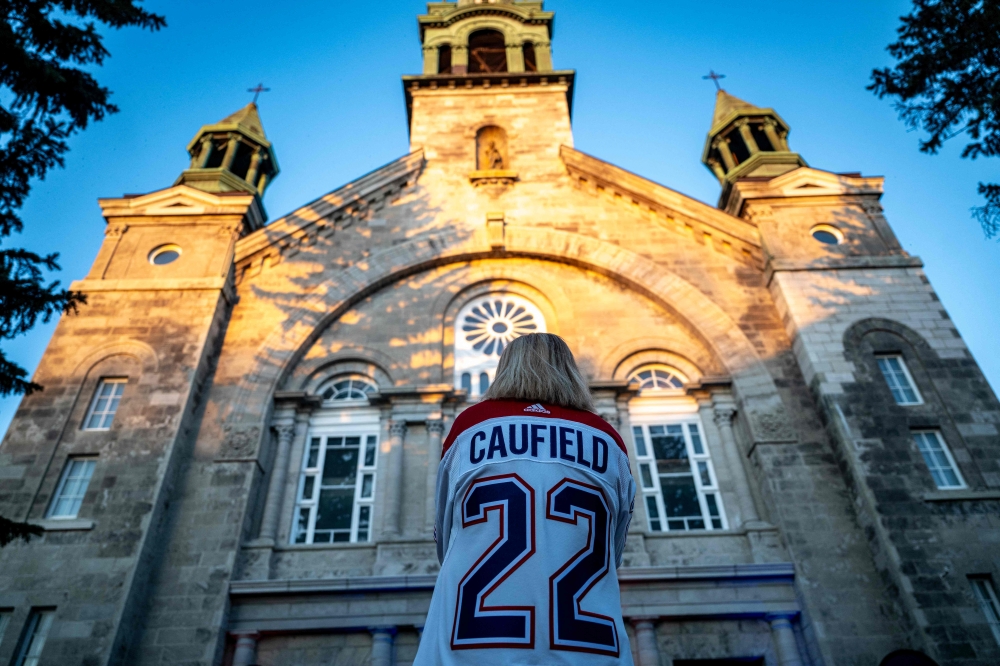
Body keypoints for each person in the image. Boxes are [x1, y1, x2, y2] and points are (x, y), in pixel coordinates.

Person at [415, 333, 636, 665]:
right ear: (571, 371)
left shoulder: (469, 427)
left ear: (505, 368)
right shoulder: (608, 439)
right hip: (590, 648)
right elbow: (612, 553)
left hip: (472, 643)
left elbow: (447, 539)